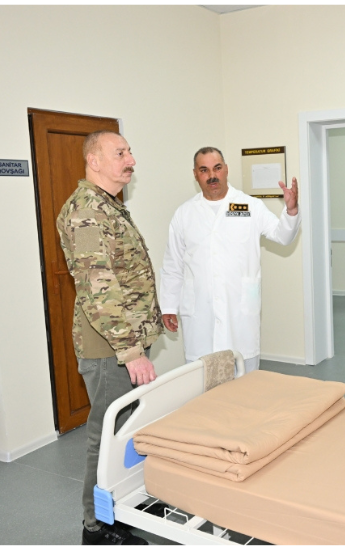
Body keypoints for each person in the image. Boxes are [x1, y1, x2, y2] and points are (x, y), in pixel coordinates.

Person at [57, 130, 163, 545]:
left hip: (125, 341)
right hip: (110, 348)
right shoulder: (85, 211)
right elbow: (98, 287)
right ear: (94, 161)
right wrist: (131, 351)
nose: (131, 159)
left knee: (127, 430)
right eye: (120, 153)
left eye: (130, 151)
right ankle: (96, 527)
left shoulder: (110, 205)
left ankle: (120, 506)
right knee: (106, 436)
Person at [160, 147, 300, 373]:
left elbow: (282, 236)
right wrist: (168, 306)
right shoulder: (184, 213)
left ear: (226, 169)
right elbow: (172, 264)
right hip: (200, 313)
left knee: (243, 377)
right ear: (195, 174)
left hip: (240, 311)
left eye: (217, 168)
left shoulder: (250, 206)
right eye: (204, 170)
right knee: (201, 378)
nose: (211, 175)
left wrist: (291, 211)